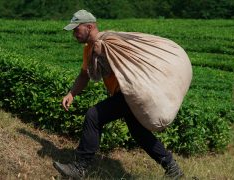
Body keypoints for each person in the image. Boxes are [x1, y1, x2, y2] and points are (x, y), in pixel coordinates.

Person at [53, 9, 189, 179]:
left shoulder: (111, 42)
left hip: (129, 92)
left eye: (76, 29)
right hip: (123, 95)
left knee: (94, 116)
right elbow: (84, 75)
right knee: (139, 132)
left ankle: (80, 167)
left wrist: (103, 52)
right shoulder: (88, 50)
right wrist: (71, 93)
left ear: (89, 26)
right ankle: (172, 168)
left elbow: (130, 61)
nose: (74, 33)